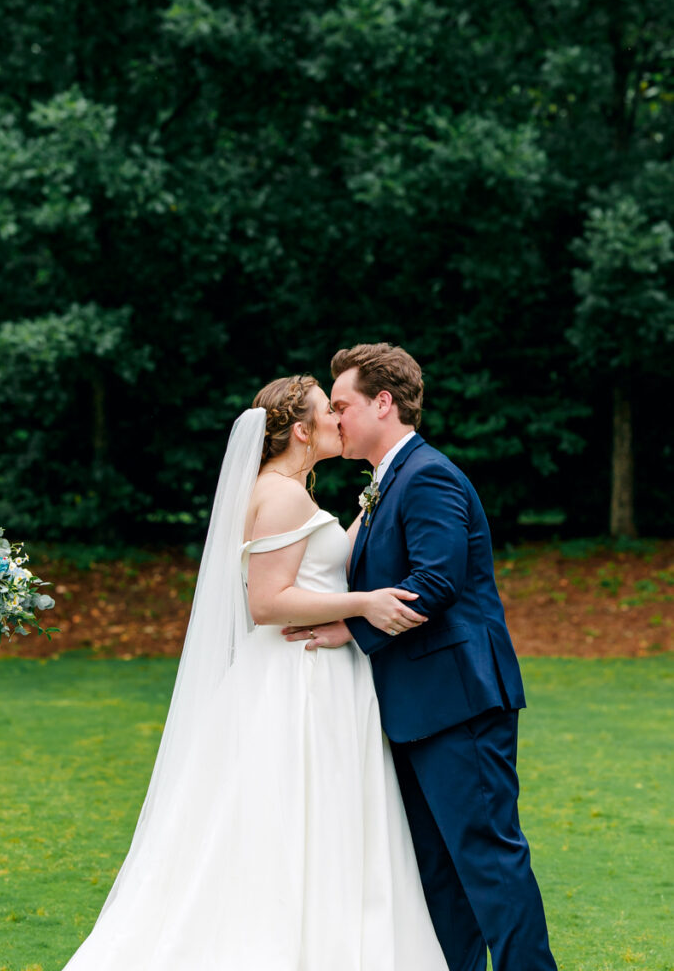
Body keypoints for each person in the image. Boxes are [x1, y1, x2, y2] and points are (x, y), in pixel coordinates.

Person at [60, 374, 449, 971]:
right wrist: (364, 605)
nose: (338, 419)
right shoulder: (283, 495)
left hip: (312, 669)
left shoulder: (283, 492)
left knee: (303, 816)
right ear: (302, 431)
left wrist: (371, 504)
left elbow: (318, 565)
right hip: (298, 678)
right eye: (328, 411)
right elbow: (268, 603)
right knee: (296, 815)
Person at [286, 344, 557, 971]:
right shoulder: (386, 483)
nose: (335, 418)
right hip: (415, 706)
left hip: (459, 700)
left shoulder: (428, 475)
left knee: (487, 860)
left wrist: (352, 628)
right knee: (438, 872)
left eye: (343, 405)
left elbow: (436, 582)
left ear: (384, 402)